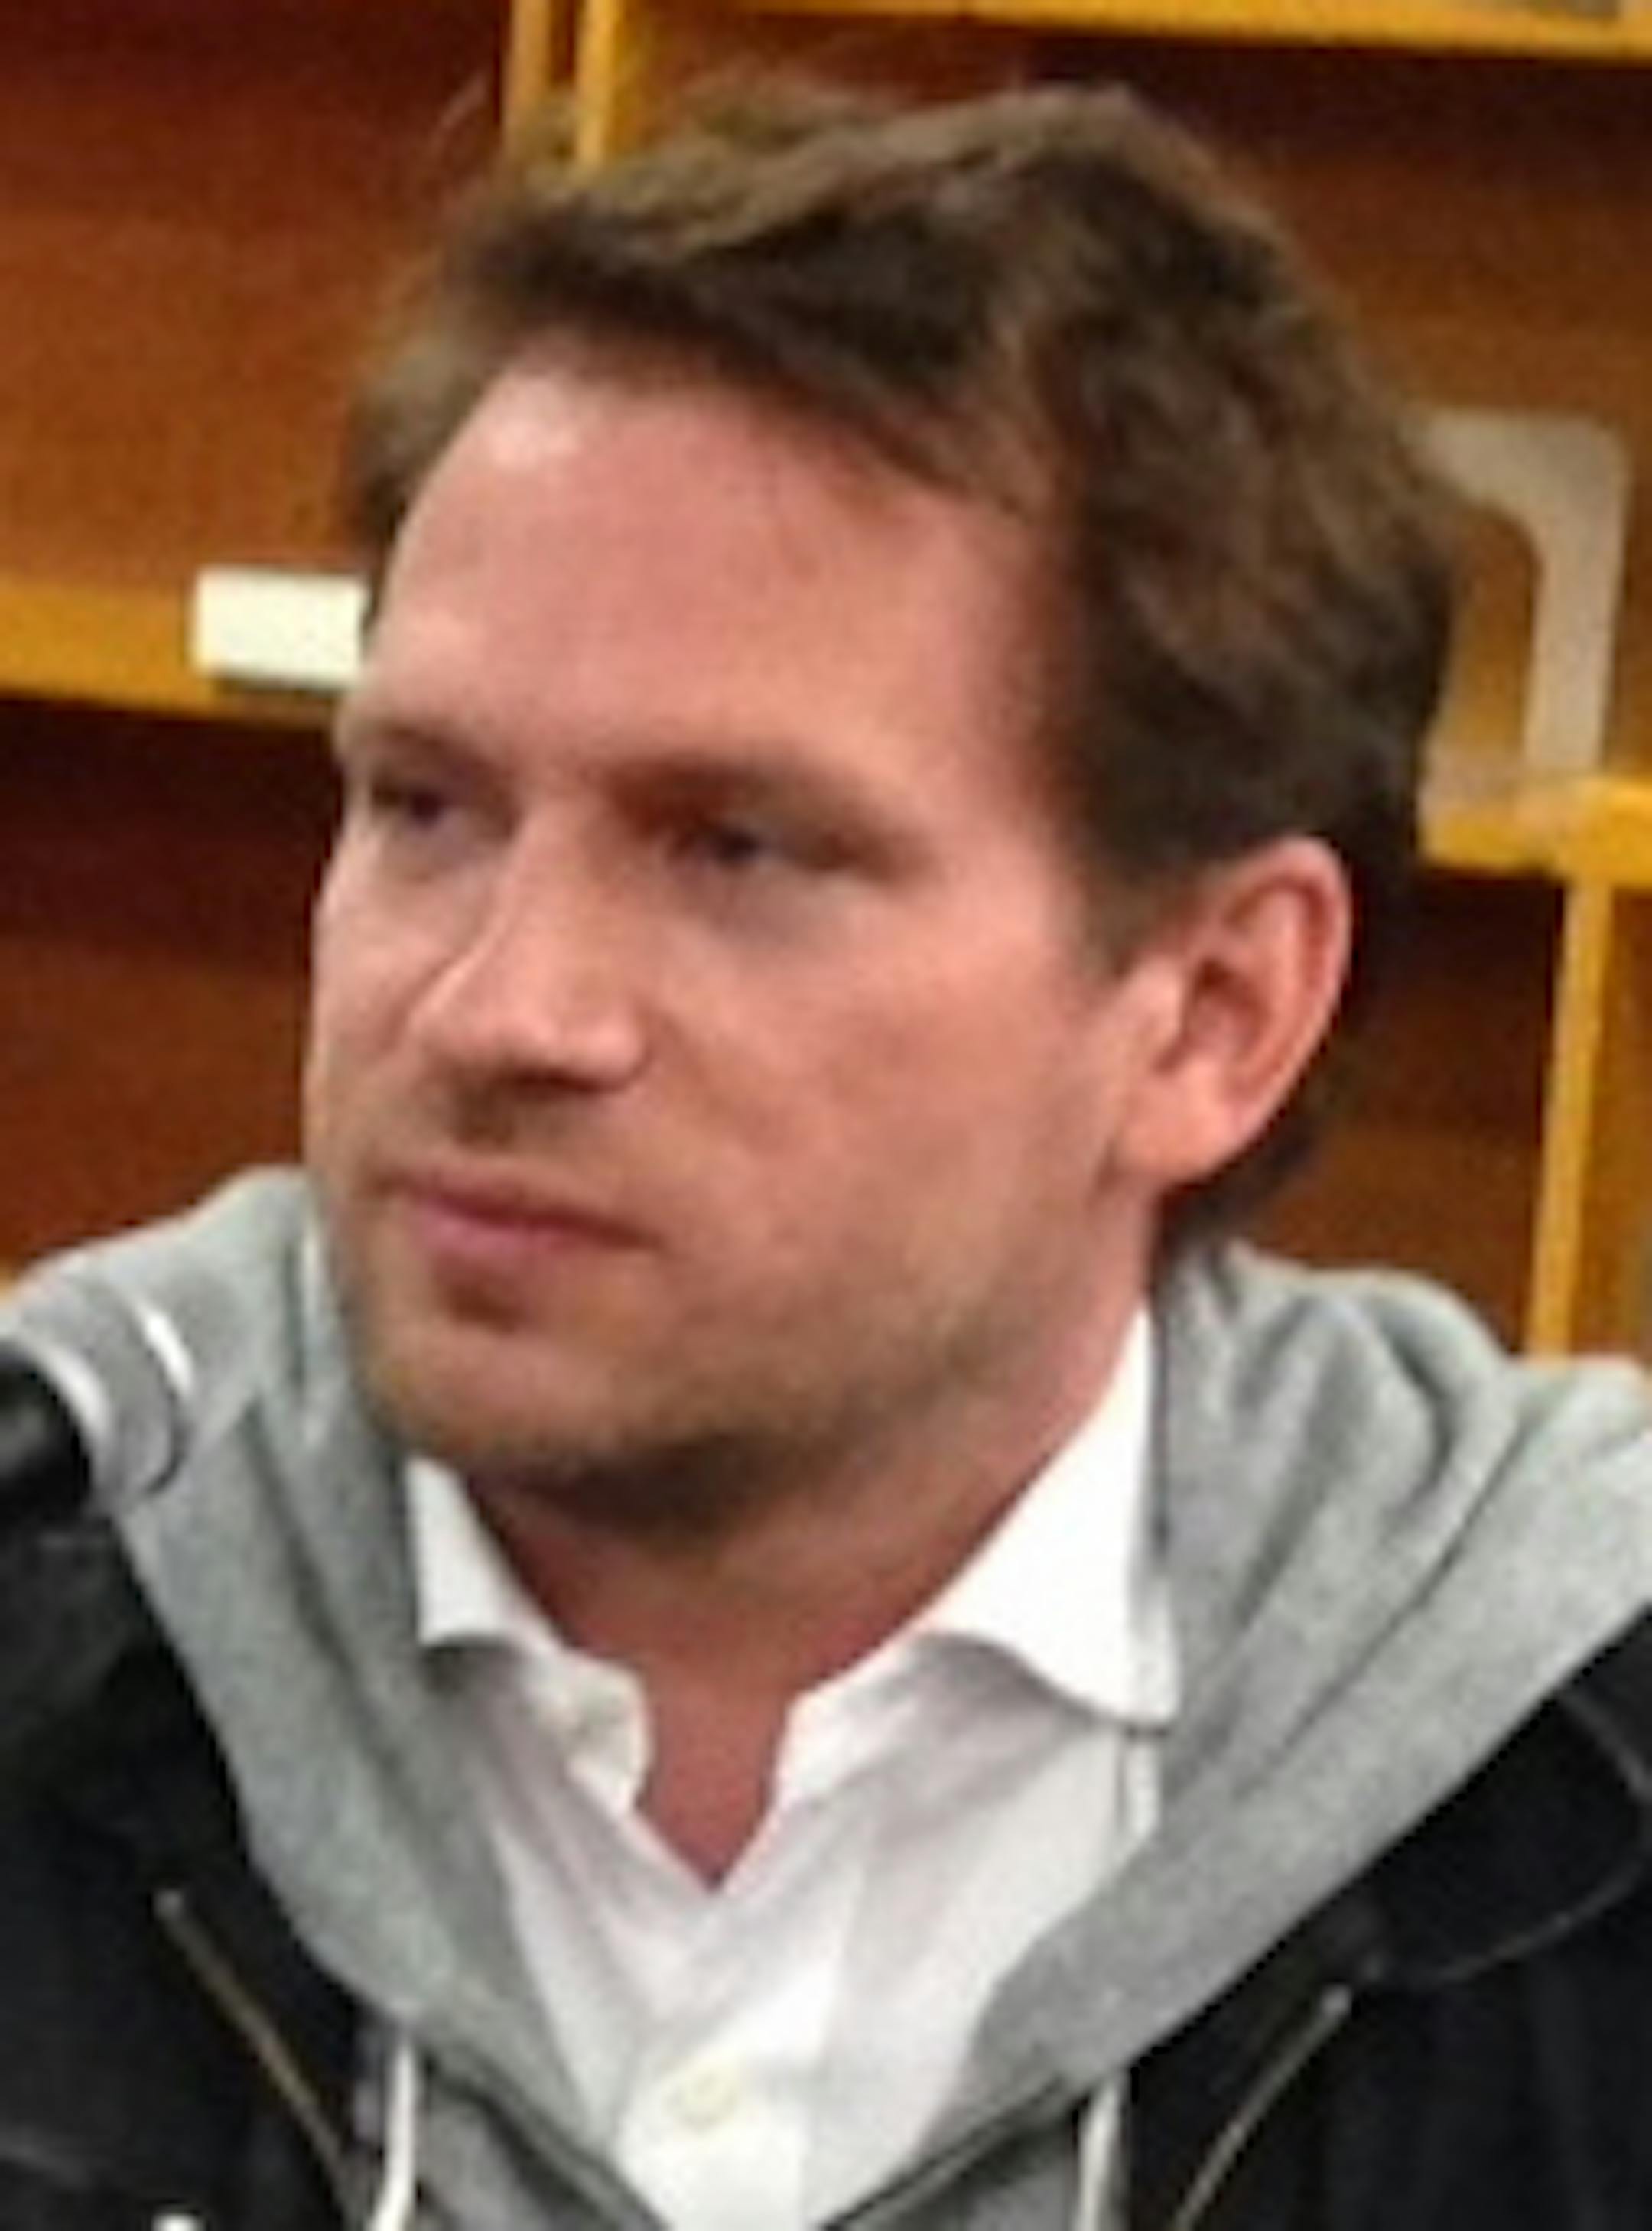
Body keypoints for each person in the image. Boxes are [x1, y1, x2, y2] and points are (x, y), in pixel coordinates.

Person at [4, 73, 1652, 2231]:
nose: (502, 1009)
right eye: (424, 805)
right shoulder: (57, 1579)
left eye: (740, 852)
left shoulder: (1580, 1787)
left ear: (1216, 1010)